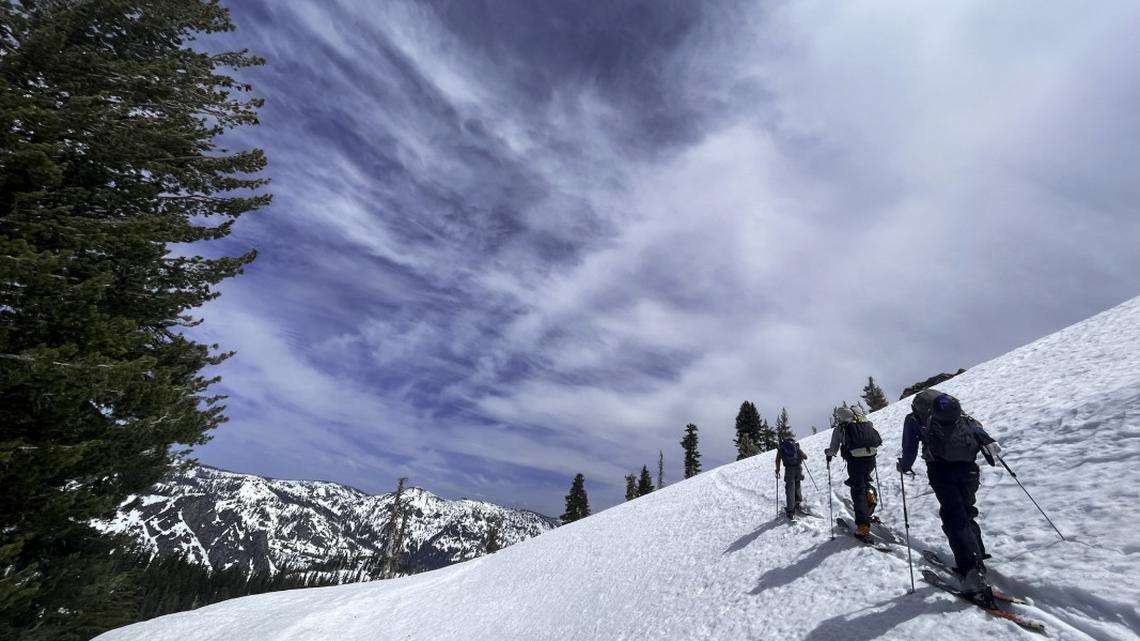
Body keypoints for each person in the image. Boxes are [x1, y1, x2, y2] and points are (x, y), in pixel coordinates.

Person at [897, 390, 1002, 604]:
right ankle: (977, 555)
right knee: (966, 511)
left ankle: (972, 573)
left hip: (941, 470)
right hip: (969, 469)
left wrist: (904, 466)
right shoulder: (957, 412)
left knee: (954, 517)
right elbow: (977, 432)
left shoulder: (915, 418)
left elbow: (910, 446)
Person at [824, 405, 881, 538]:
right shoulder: (866, 423)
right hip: (871, 458)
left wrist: (828, 453)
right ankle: (870, 496)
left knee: (857, 490)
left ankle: (863, 526)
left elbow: (833, 448)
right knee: (865, 481)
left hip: (855, 460)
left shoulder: (841, 428)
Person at [775, 437, 808, 519]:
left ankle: (790, 511)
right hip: (798, 468)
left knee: (790, 489)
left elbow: (777, 460)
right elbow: (805, 457)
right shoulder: (795, 446)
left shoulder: (781, 449)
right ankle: (798, 502)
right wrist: (800, 454)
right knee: (797, 485)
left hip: (789, 470)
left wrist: (778, 470)